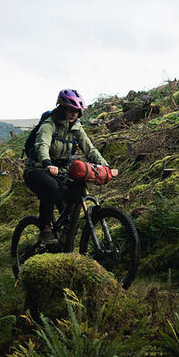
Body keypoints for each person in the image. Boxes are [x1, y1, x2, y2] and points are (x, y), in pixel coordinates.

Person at [24, 89, 110, 245]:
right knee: (50, 187)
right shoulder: (49, 124)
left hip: (60, 171)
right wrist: (47, 163)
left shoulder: (76, 128)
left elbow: (89, 149)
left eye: (77, 111)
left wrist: (106, 166)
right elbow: (42, 145)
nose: (74, 114)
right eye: (71, 110)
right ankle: (45, 228)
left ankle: (64, 239)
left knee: (74, 196)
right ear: (62, 108)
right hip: (36, 169)